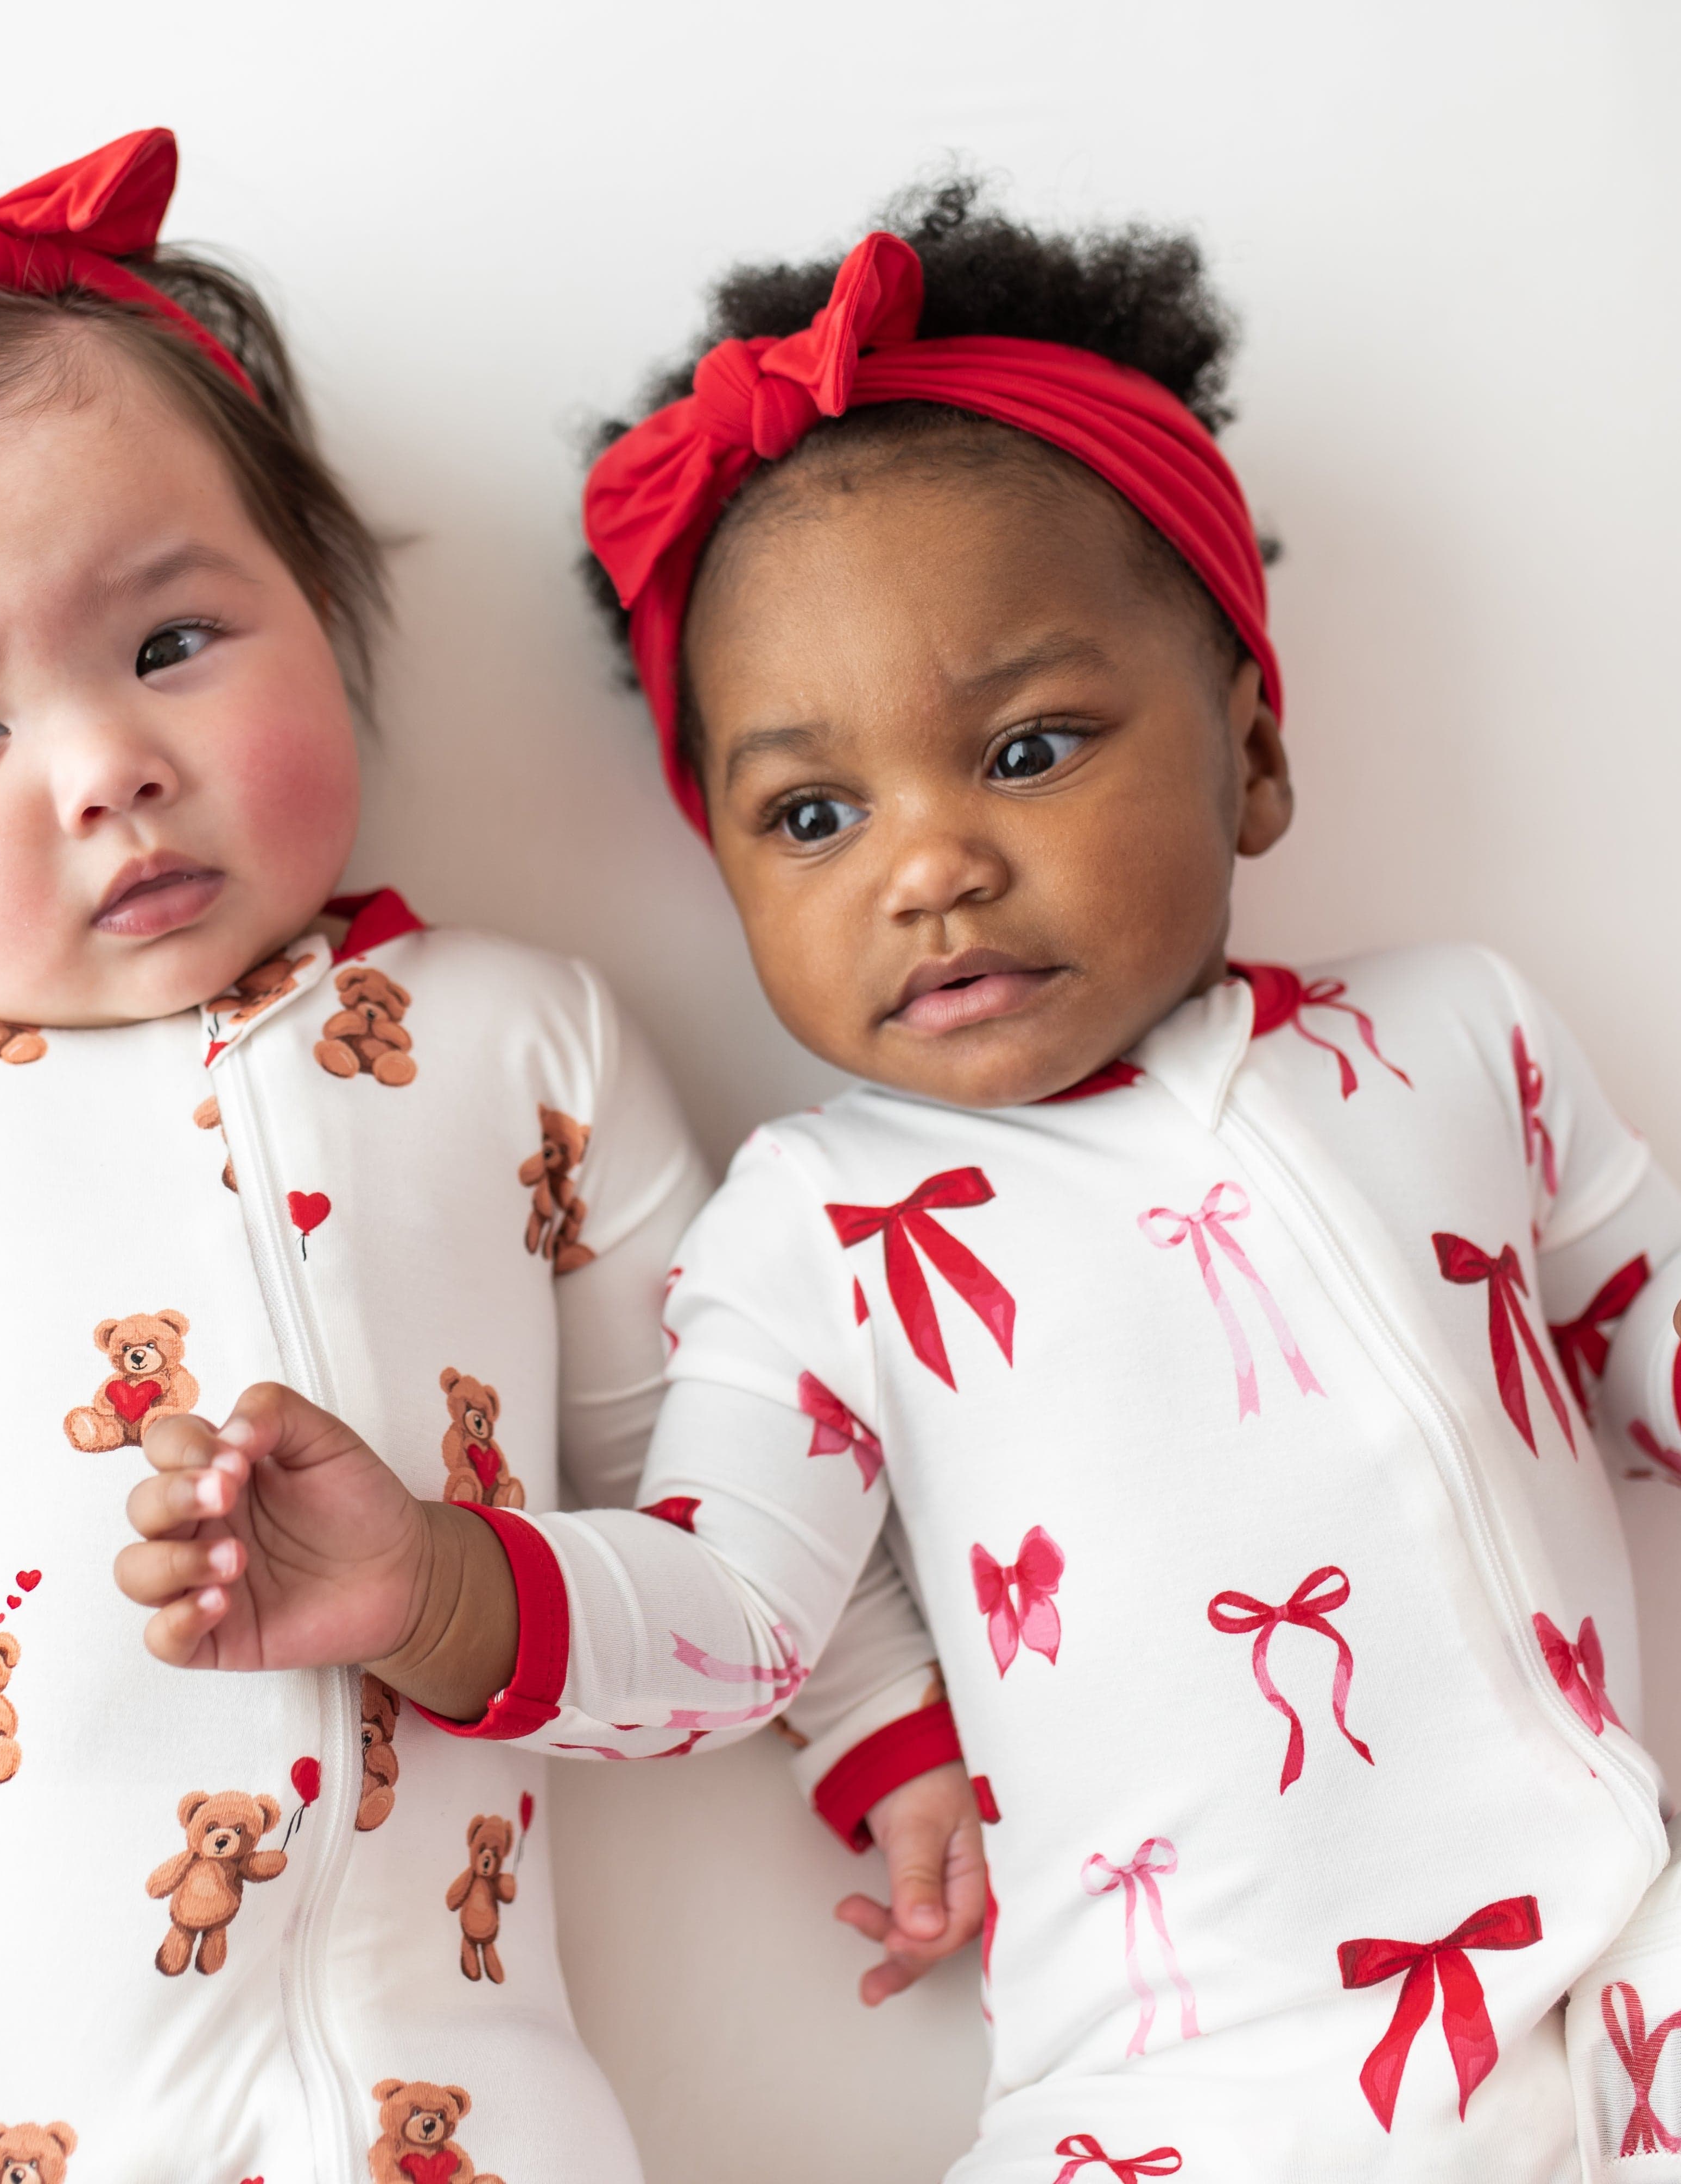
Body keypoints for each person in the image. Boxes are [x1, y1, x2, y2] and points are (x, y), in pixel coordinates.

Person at [114, 174, 1681, 2180]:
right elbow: (731, 1609)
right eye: (815, 812)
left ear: (1253, 748)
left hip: (1620, 1949)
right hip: (1191, 2099)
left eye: (1027, 752)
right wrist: (429, 1581)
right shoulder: (826, 1223)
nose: (924, 868)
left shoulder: (1460, 1038)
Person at [0, 131, 967, 2181]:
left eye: (175, 641)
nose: (107, 767)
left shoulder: (518, 1036)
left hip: (405, 2088)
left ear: (325, 611)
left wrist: (882, 1721)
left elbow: (722, 1471)